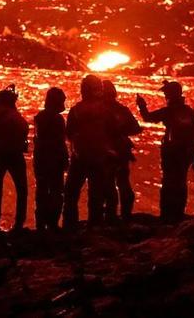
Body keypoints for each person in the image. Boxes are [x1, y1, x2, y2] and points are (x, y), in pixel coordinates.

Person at [136, 80, 194, 223]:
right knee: (181, 182)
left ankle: (166, 214)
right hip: (186, 154)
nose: (165, 96)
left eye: (166, 94)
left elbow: (148, 117)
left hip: (171, 153)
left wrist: (141, 105)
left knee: (168, 183)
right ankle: (179, 213)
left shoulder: (169, 112)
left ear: (171, 95)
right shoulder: (189, 112)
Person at [63, 75, 113, 228]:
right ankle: (95, 225)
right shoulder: (106, 110)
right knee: (96, 194)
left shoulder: (76, 110)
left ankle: (70, 226)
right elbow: (115, 131)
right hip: (99, 156)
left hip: (80, 156)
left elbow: (69, 133)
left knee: (71, 193)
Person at [0, 84, 29, 233]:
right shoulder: (15, 117)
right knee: (22, 190)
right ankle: (18, 224)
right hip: (15, 156)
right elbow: (23, 133)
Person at [102, 80, 142, 222]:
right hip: (122, 151)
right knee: (123, 183)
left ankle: (110, 216)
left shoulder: (99, 111)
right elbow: (136, 128)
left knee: (108, 184)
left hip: (106, 152)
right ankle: (125, 215)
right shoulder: (122, 110)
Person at [32, 87, 69, 231]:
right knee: (56, 192)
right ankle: (52, 223)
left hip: (41, 159)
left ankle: (41, 223)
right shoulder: (57, 119)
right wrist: (65, 159)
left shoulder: (40, 117)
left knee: (41, 191)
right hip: (53, 160)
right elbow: (60, 142)